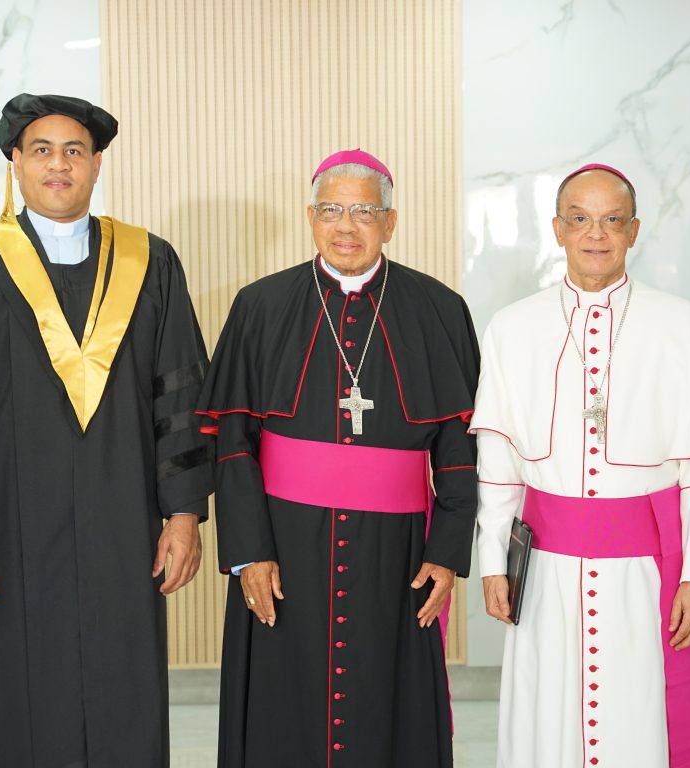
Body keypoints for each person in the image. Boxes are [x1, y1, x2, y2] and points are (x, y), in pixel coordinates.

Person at [197, 149, 480, 767]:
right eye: (331, 210)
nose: (345, 225)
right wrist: (248, 550)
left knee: (388, 701)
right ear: (310, 216)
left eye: (362, 211)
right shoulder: (260, 306)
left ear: (391, 221)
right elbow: (234, 441)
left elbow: (460, 448)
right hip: (284, 546)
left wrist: (447, 553)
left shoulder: (437, 309)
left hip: (396, 552)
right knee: (282, 706)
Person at [0, 93, 214, 768]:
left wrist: (184, 512)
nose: (58, 165)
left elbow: (183, 388)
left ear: (98, 164)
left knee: (121, 685)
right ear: (15, 161)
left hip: (124, 522)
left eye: (75, 151)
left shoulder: (148, 260)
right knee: (19, 695)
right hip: (7, 528)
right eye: (41, 150)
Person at [471, 163, 690, 767]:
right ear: (557, 229)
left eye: (612, 220)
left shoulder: (687, 328)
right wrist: (491, 565)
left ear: (634, 231)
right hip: (547, 574)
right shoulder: (512, 329)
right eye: (580, 219)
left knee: (640, 721)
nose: (597, 234)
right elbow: (498, 467)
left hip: (646, 576)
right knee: (547, 722)